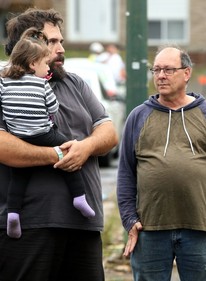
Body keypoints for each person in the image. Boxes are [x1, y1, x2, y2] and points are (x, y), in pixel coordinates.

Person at [0, 8, 118, 281]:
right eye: (52, 42)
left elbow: (108, 132)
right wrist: (57, 153)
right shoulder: (6, 85)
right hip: (28, 225)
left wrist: (85, 148)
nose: (61, 48)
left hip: (83, 225)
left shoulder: (75, 83)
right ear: (27, 46)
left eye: (61, 41)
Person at [117, 45, 206, 281]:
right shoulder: (138, 116)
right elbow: (125, 174)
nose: (161, 76)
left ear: (187, 73)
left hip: (199, 227)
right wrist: (129, 219)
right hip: (150, 230)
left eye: (168, 70)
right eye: (157, 70)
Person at [1, 27, 95, 239]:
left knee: (19, 175)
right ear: (33, 64)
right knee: (69, 149)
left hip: (18, 135)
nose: (47, 69)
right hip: (44, 133)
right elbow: (53, 108)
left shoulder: (4, 83)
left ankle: (13, 213)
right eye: (45, 64)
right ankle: (79, 197)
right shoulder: (42, 84)